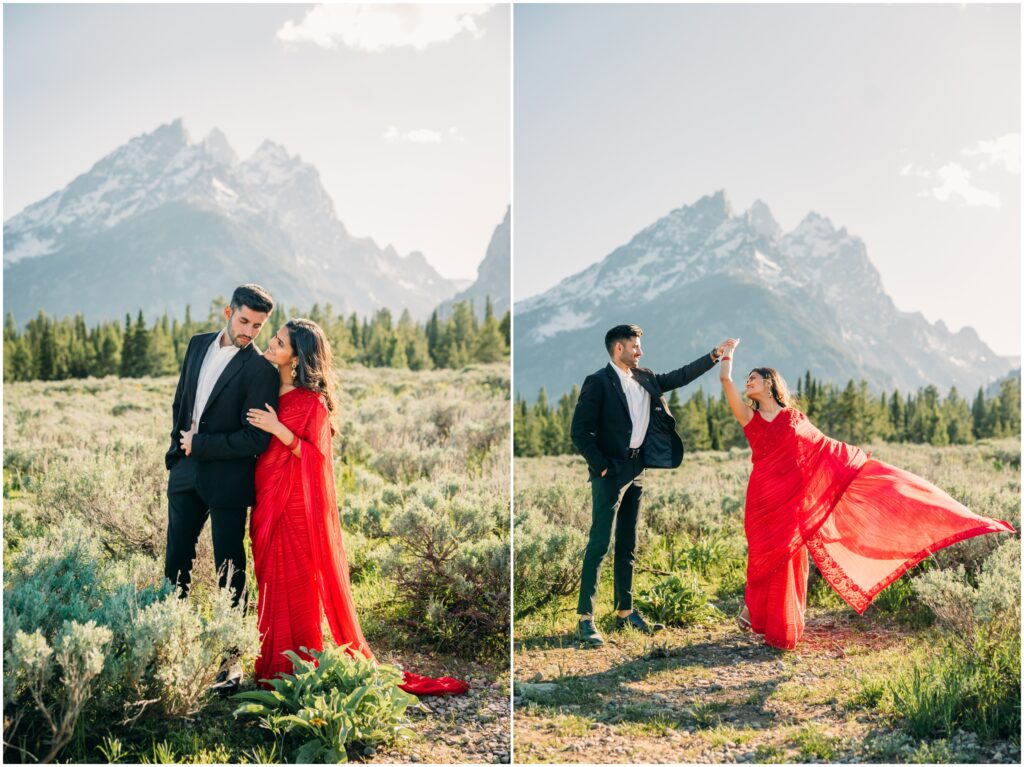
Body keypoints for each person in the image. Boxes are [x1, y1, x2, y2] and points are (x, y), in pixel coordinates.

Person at [718, 339, 1015, 650]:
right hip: (761, 500)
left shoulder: (794, 419)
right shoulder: (748, 418)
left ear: (769, 384)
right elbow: (726, 380)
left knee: (787, 558)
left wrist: (852, 464)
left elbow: (823, 449)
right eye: (747, 379)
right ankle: (754, 608)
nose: (747, 382)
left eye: (753, 377)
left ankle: (776, 625)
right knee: (761, 556)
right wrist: (728, 354)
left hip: (790, 502)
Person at [245, 318, 468, 695]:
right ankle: (269, 661)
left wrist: (277, 429)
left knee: (295, 582)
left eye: (279, 342)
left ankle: (297, 666)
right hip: (266, 497)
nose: (271, 343)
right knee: (268, 579)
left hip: (295, 504)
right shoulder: (264, 385)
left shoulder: (312, 403)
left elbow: (317, 461)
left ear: (296, 358)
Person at [569, 324, 736, 647]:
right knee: (599, 543)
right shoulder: (598, 382)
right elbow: (580, 431)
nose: (640, 352)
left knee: (628, 543)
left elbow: (679, 377)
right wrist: (601, 466)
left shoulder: (644, 377)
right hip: (611, 472)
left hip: (638, 467)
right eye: (635, 346)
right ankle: (585, 619)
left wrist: (715, 356)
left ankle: (625, 612)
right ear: (619, 348)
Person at [165, 283, 278, 609]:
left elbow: (256, 438)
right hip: (184, 471)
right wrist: (176, 453)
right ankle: (169, 639)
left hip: (228, 480)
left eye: (258, 325)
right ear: (229, 313)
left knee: (229, 571)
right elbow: (180, 404)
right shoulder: (197, 345)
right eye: (244, 321)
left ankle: (231, 655)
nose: (250, 331)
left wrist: (200, 445)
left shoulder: (261, 371)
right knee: (175, 563)